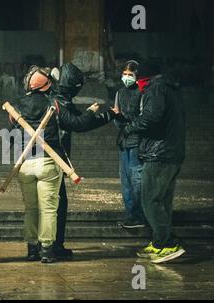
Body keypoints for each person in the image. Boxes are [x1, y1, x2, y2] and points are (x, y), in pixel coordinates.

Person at [12, 66, 117, 263]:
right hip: (48, 162)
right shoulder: (53, 104)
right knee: (50, 208)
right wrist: (91, 112)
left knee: (31, 209)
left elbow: (11, 135)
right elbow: (75, 124)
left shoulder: (17, 107)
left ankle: (32, 250)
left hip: (25, 163)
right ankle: (47, 251)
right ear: (47, 85)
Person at [122, 60, 186, 264]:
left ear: (143, 77)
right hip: (171, 152)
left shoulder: (155, 89)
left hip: (159, 153)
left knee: (150, 200)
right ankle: (160, 243)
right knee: (162, 201)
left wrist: (130, 127)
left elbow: (151, 117)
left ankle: (168, 243)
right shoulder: (169, 88)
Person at [49, 62, 115, 259]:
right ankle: (53, 247)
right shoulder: (58, 102)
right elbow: (78, 123)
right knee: (57, 204)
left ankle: (42, 246)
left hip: (50, 159)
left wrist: (107, 115)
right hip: (54, 160)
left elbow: (79, 121)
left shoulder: (57, 100)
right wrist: (93, 112)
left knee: (49, 204)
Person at [113, 60, 146, 229]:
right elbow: (117, 114)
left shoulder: (141, 92)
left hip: (136, 142)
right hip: (123, 142)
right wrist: (117, 119)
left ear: (136, 76)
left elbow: (143, 119)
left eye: (130, 75)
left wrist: (129, 126)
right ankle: (130, 214)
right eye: (124, 74)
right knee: (125, 181)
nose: (126, 77)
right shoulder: (119, 92)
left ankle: (139, 215)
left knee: (137, 180)